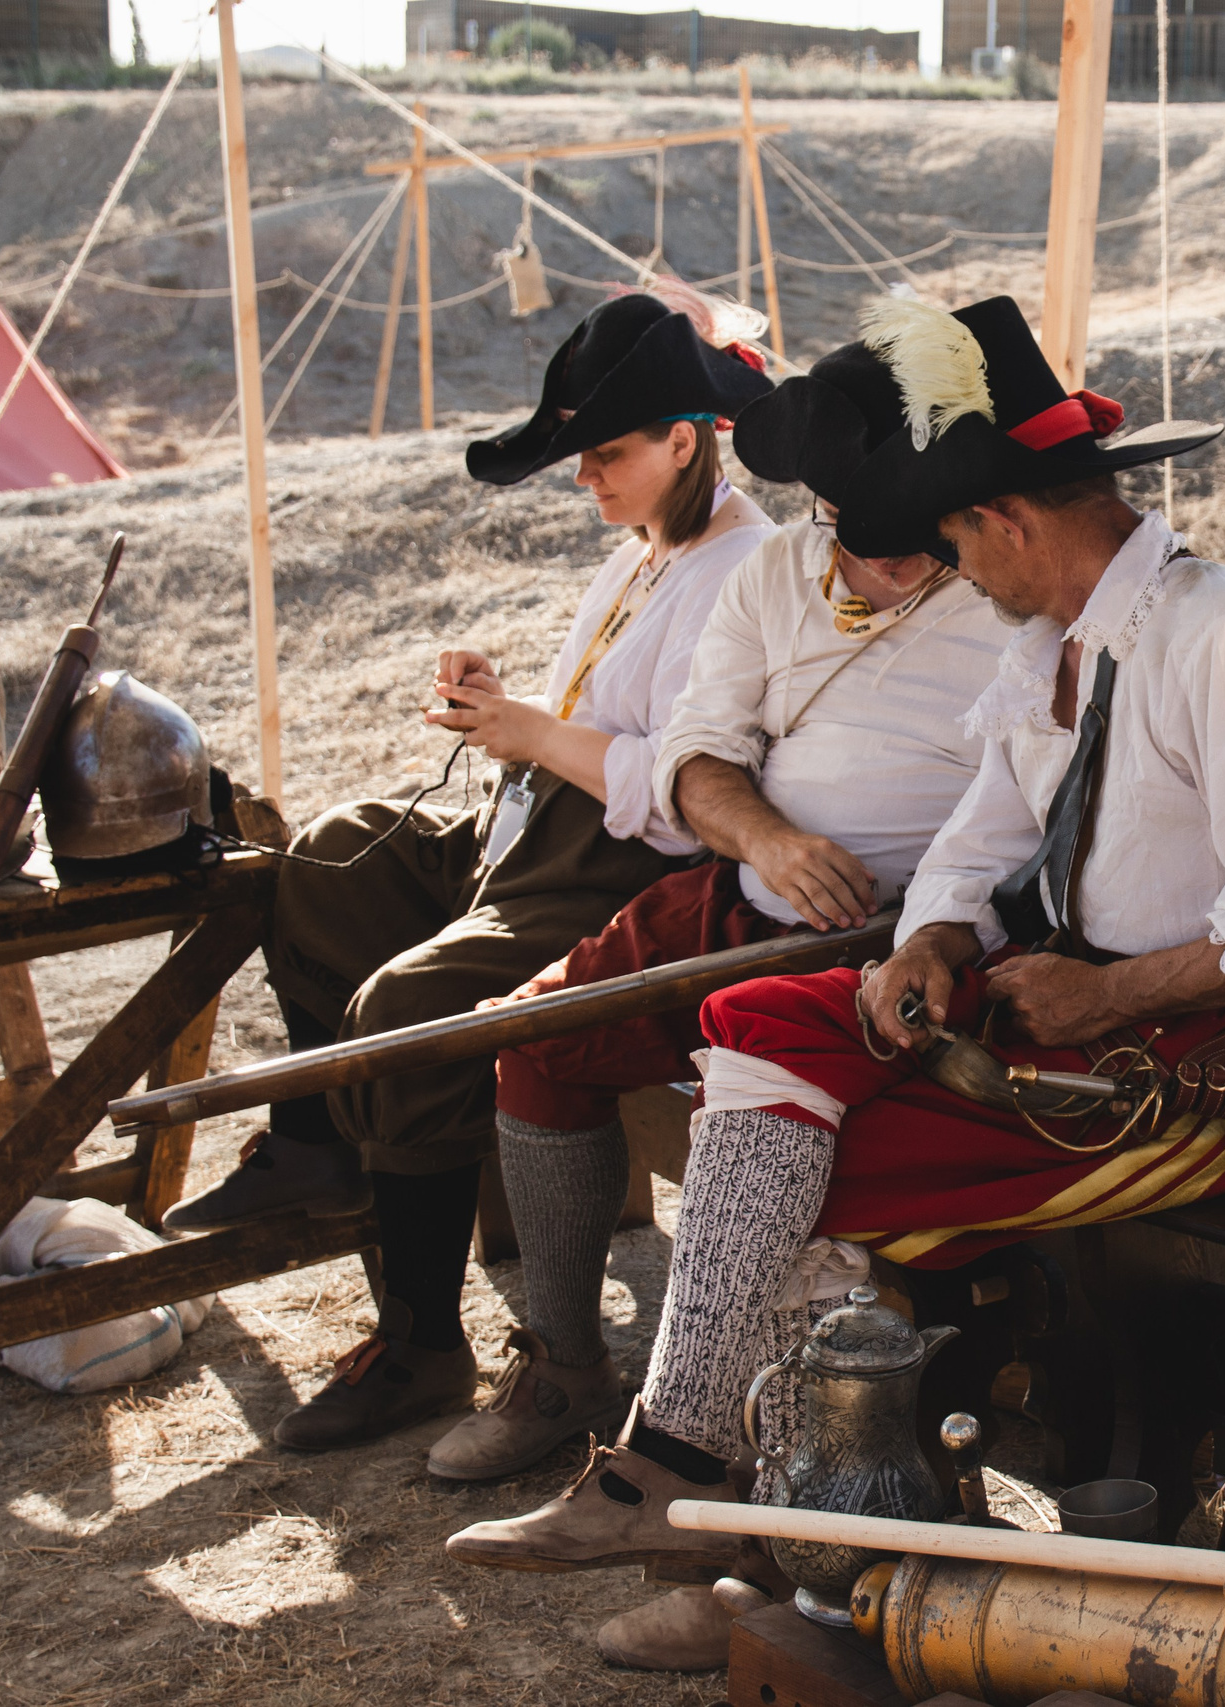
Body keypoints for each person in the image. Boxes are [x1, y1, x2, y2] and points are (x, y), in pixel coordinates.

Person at [436, 296, 1225, 1664]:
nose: (943, 566)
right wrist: (931, 938)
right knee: (752, 1023)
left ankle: (784, 1553)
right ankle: (716, 1485)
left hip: (1200, 1057)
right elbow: (982, 839)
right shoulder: (1043, 638)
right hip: (1060, 1016)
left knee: (813, 1184)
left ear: (999, 518)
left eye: (948, 539)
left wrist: (1107, 997)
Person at [161, 287, 778, 1453]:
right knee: (331, 856)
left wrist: (536, 734)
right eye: (580, 458)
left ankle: (422, 1343)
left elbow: (694, 784)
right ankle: (322, 1141)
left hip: (622, 866)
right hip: (541, 818)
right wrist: (507, 710)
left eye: (606, 454)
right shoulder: (649, 553)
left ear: (685, 441)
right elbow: (591, 712)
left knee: (411, 1009)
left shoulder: (743, 574)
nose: (585, 478)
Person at [421, 329, 1007, 1496]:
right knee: (535, 1041)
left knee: (789, 1144)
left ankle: (772, 1459)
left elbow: (1020, 814)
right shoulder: (778, 568)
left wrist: (928, 919)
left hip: (897, 946)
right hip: (729, 894)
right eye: (838, 512)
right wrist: (768, 839)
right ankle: (569, 1364)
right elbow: (697, 752)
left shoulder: (1005, 599)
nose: (846, 546)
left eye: (873, 521)